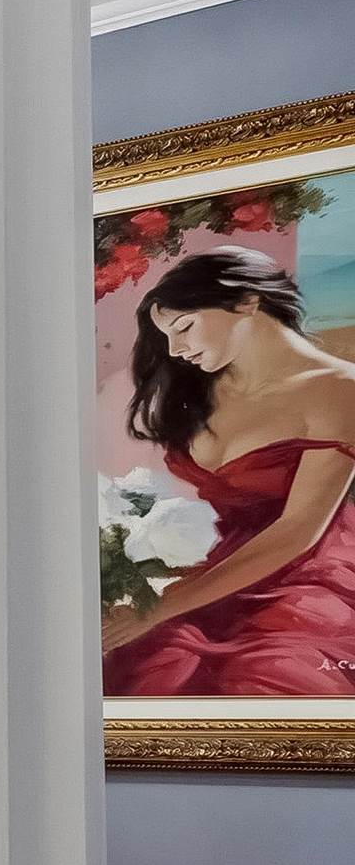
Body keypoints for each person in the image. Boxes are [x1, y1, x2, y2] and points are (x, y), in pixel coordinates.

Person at [101, 247, 355, 696]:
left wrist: (161, 606)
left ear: (247, 301)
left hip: (309, 576)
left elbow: (297, 531)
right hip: (219, 568)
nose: (176, 351)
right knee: (149, 667)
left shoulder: (340, 390)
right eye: (168, 338)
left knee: (264, 677)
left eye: (184, 327)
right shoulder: (198, 391)